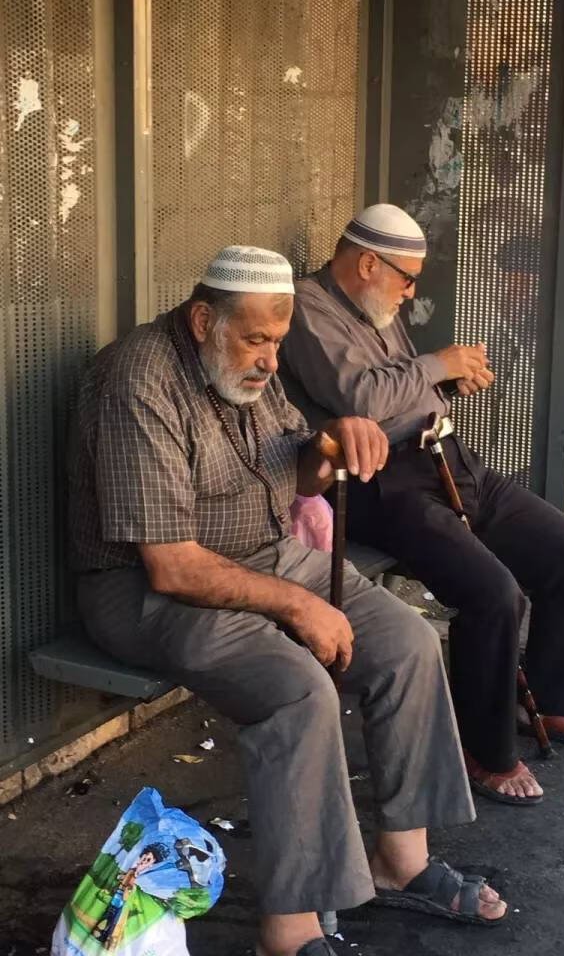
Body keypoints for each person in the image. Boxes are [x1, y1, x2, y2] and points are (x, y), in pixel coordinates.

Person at [67, 246, 508, 956]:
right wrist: (296, 607)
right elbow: (172, 567)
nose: (272, 359)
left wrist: (329, 447)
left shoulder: (248, 365)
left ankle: (403, 860)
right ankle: (292, 929)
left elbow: (297, 471)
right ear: (204, 318)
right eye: (258, 340)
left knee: (407, 643)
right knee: (299, 692)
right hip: (145, 592)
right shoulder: (137, 381)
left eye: (278, 340)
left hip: (265, 557)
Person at [280, 206, 564, 808]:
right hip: (380, 483)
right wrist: (437, 365)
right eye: (406, 277)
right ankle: (482, 748)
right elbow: (359, 397)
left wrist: (442, 385)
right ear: (367, 263)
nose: (411, 292)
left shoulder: (374, 306)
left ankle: (553, 700)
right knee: (492, 592)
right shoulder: (308, 309)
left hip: (445, 459)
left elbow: (400, 386)